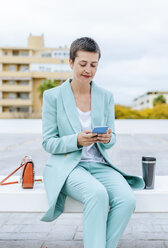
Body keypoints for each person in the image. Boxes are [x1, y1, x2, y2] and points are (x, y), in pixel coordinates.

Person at [40, 37, 145, 248]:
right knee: (97, 194)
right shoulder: (53, 96)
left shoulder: (105, 96)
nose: (88, 70)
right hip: (69, 167)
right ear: (71, 63)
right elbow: (49, 142)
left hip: (100, 165)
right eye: (83, 64)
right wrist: (77, 141)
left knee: (127, 200)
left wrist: (107, 138)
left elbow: (112, 137)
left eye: (94, 64)